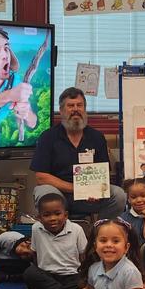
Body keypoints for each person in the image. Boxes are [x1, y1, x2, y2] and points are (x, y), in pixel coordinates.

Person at [31, 87, 126, 220]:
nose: (75, 109)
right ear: (62, 110)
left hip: (90, 197)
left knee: (119, 195)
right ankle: (55, 238)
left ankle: (99, 232)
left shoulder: (97, 137)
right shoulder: (48, 137)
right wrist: (75, 189)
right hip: (59, 195)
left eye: (79, 105)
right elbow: (41, 177)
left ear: (84, 109)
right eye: (70, 106)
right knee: (44, 192)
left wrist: (97, 190)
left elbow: (103, 174)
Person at [15, 193, 87, 289]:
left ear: (66, 215)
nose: (53, 218)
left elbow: (84, 255)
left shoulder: (76, 230)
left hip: (71, 276)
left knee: (85, 282)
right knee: (29, 273)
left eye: (58, 214)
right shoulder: (36, 229)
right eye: (46, 215)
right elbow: (35, 254)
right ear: (39, 218)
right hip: (47, 276)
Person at [120, 176, 145, 242]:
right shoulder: (122, 219)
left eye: (143, 196)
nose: (139, 200)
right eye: (133, 197)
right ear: (128, 199)